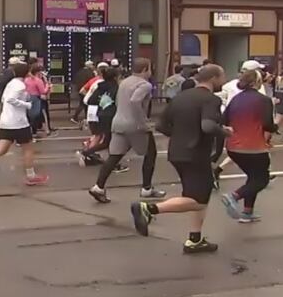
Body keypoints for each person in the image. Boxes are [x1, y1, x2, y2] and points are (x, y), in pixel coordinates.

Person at [130, 64, 230, 254]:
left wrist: (180, 136)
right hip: (196, 153)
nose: (223, 82)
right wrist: (224, 131)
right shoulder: (210, 99)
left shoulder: (180, 98)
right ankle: (149, 209)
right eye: (222, 77)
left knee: (196, 195)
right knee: (198, 200)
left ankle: (195, 238)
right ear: (213, 78)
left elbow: (161, 125)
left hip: (176, 152)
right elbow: (208, 126)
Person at [89, 58, 166, 203]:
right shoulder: (145, 85)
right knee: (150, 154)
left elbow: (119, 102)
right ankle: (147, 189)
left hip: (118, 122)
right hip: (136, 125)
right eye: (150, 68)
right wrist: (143, 120)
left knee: (115, 156)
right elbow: (136, 101)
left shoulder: (124, 82)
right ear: (145, 69)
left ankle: (98, 187)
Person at [0, 62, 48, 187]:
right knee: (28, 148)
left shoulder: (11, 84)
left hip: (6, 121)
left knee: (1, 150)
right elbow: (10, 99)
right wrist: (26, 105)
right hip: (18, 122)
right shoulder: (20, 86)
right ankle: (31, 176)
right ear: (26, 72)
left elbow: (4, 99)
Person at [220, 69, 277, 223]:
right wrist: (275, 128)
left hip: (233, 147)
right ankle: (234, 196)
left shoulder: (236, 99)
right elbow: (267, 124)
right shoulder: (264, 100)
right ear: (256, 82)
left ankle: (247, 212)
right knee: (262, 179)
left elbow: (224, 119)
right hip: (254, 146)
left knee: (253, 177)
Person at [77, 66, 118, 166]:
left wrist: (101, 102)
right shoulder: (115, 87)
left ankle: (90, 153)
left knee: (105, 138)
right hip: (111, 115)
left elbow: (91, 100)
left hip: (101, 113)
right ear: (115, 77)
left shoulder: (100, 86)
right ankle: (87, 153)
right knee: (108, 141)